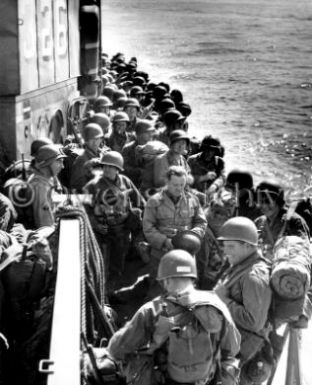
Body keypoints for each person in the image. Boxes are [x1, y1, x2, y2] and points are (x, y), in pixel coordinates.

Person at [107, 249, 241, 385]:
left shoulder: (151, 310)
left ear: (166, 280)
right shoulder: (217, 306)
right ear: (192, 278)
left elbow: (117, 349)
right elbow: (233, 348)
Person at [214, 216, 272, 384]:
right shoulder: (241, 264)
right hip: (231, 348)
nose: (226, 251)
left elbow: (254, 321)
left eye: (231, 246)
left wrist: (223, 300)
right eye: (225, 246)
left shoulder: (254, 276)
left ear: (247, 246)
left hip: (243, 356)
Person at [143, 166, 207, 291]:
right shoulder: (154, 202)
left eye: (182, 185)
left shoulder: (192, 200)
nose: (178, 188)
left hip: (186, 254)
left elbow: (201, 222)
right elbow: (148, 228)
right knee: (159, 288)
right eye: (175, 185)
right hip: (162, 253)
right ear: (167, 182)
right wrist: (165, 241)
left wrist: (190, 237)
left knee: (185, 285)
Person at [83, 151, 145, 280]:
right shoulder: (92, 186)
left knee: (119, 261)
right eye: (104, 166)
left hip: (123, 230)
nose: (107, 169)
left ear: (118, 169)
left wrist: (136, 214)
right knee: (101, 263)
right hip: (102, 232)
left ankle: (115, 287)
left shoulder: (125, 181)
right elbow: (84, 210)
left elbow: (139, 201)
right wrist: (96, 224)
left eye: (111, 166)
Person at [254, 180, 310, 259]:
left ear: (278, 201)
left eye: (268, 201)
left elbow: (303, 251)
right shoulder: (259, 222)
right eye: (260, 201)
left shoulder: (293, 221)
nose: (264, 206)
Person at [28, 144, 66, 228]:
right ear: (47, 162)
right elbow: (45, 225)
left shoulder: (46, 181)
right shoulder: (40, 186)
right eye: (59, 161)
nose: (62, 166)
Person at [70, 123, 104, 192]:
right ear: (86, 141)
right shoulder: (81, 160)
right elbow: (76, 185)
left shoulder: (103, 155)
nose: (94, 143)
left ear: (101, 139)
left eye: (97, 139)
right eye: (91, 139)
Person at [122, 119, 155, 187]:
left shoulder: (155, 148)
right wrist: (139, 171)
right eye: (147, 132)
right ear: (139, 134)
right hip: (132, 184)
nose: (151, 135)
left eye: (151, 132)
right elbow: (123, 167)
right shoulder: (127, 149)